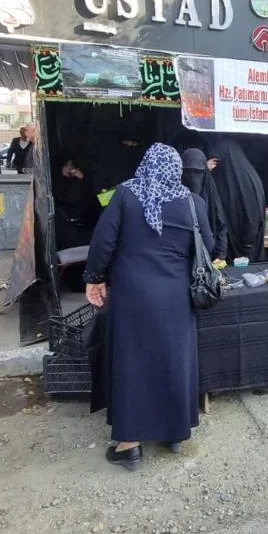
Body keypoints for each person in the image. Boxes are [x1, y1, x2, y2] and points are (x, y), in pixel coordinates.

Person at [83, 144, 214, 470]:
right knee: (174, 360)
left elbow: (103, 242)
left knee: (132, 364)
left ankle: (129, 446)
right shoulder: (192, 202)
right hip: (176, 298)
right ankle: (174, 433)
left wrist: (94, 278)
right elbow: (208, 246)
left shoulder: (126, 195)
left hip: (132, 297)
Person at [208, 139, 266, 263]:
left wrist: (248, 243)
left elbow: (253, 216)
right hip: (232, 246)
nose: (215, 167)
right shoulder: (226, 182)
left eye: (217, 162)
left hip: (247, 248)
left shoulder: (247, 182)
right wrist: (205, 170)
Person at [181, 148, 229, 262]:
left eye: (198, 172)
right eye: (188, 172)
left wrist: (220, 254)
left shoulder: (210, 193)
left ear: (204, 172)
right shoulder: (174, 196)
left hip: (208, 257)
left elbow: (220, 224)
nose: (193, 178)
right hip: (182, 257)